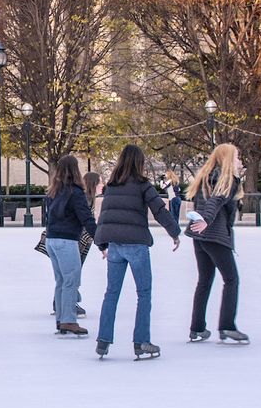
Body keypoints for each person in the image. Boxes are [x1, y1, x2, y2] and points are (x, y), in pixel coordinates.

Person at [92, 144, 180, 361]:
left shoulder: (112, 185)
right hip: (136, 245)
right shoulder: (142, 185)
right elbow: (159, 209)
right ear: (139, 163)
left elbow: (105, 216)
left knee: (111, 293)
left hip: (115, 246)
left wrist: (102, 244)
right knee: (144, 293)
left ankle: (103, 341)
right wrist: (174, 232)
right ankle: (141, 341)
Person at [185, 143, 248, 344]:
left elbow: (207, 201)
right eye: (237, 157)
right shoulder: (228, 179)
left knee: (204, 280)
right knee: (231, 280)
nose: (239, 161)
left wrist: (202, 222)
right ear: (228, 158)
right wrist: (206, 220)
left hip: (199, 235)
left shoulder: (205, 177)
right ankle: (227, 326)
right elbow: (216, 201)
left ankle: (197, 328)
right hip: (214, 235)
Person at [42, 154, 98, 336]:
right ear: (76, 170)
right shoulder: (75, 192)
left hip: (52, 239)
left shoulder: (52, 191)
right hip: (66, 240)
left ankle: (61, 318)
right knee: (70, 280)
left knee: (61, 281)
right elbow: (86, 218)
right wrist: (100, 239)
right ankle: (68, 320)